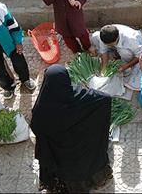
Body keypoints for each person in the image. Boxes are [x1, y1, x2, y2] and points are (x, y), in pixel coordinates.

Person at [30, 64, 113, 193]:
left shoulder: (42, 108)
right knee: (90, 161)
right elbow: (105, 99)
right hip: (84, 150)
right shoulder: (80, 97)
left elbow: (36, 128)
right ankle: (95, 180)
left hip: (61, 157)